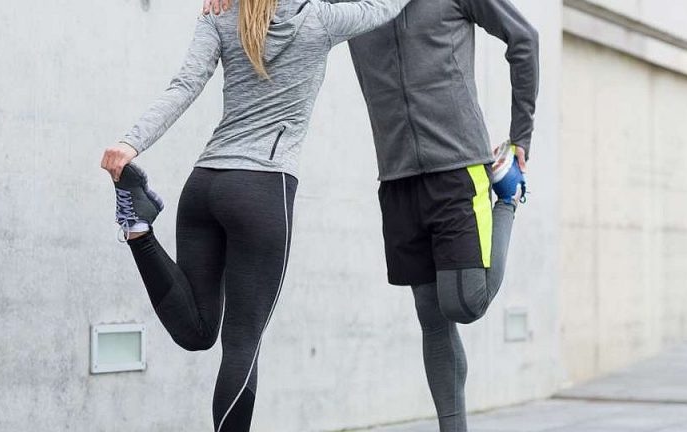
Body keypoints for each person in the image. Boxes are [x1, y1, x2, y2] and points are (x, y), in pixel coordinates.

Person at [202, 0, 539, 430]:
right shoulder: (350, 5)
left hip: (459, 168)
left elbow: (524, 38)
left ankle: (509, 199)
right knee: (431, 317)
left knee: (466, 302)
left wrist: (521, 135)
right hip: (397, 178)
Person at [99, 0, 415, 430]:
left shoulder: (220, 13)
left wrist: (130, 144)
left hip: (204, 186)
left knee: (197, 331)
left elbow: (184, 85)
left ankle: (138, 229)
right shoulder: (321, 19)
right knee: (242, 344)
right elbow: (385, 5)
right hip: (262, 190)